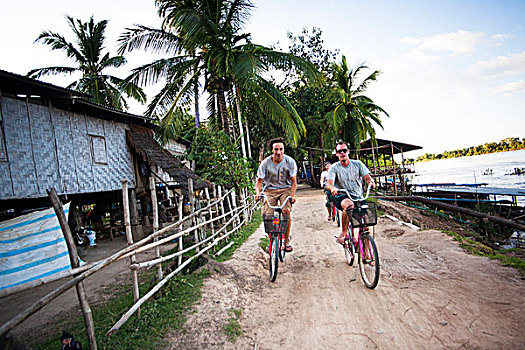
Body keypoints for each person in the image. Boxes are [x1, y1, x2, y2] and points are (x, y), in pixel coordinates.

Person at [325, 141, 376, 244]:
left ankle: (366, 255)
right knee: (349, 205)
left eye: (344, 150)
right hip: (342, 196)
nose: (342, 153)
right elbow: (329, 184)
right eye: (340, 151)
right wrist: (333, 189)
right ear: (337, 153)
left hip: (358, 196)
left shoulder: (358, 164)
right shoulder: (334, 167)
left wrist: (371, 182)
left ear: (348, 151)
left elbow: (367, 177)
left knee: (365, 224)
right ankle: (343, 232)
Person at [255, 138, 297, 252]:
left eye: (281, 149)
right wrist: (258, 193)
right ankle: (271, 239)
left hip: (285, 189)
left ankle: (286, 241)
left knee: (286, 212)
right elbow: (259, 182)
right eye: (276, 149)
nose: (278, 152)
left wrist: (292, 196)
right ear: (272, 151)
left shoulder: (290, 162)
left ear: (284, 150)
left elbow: (294, 182)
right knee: (267, 216)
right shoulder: (265, 163)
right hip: (270, 190)